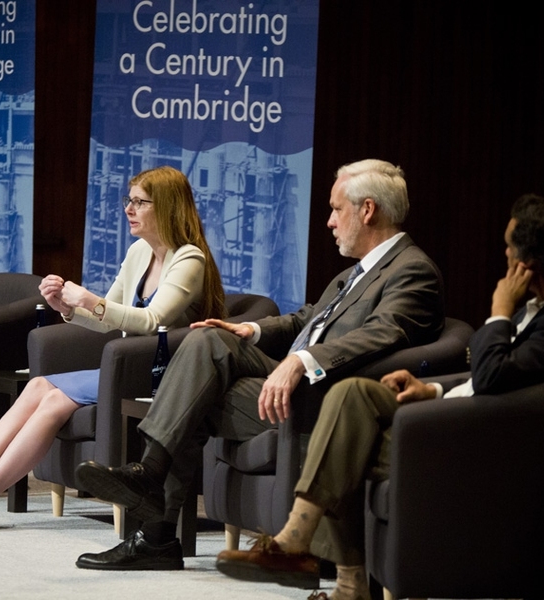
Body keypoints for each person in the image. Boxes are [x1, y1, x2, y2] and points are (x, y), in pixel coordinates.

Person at [213, 194, 544, 600]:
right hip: (463, 415)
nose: (504, 254)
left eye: (510, 248)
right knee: (351, 394)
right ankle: (316, 557)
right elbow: (508, 374)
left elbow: (495, 376)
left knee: (346, 436)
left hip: (488, 444)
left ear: (528, 264)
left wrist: (498, 313)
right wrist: (434, 389)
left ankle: (317, 559)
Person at [74, 159, 446, 570]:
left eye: (336, 209)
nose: (329, 221)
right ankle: (152, 499)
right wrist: (250, 329)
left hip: (326, 402)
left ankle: (154, 518)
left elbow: (382, 333)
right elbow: (305, 319)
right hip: (289, 385)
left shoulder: (412, 271)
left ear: (368, 210)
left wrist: (302, 362)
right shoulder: (353, 274)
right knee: (209, 342)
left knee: (195, 389)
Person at [0, 165, 225, 527]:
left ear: (167, 207)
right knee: (42, 388)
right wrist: (66, 308)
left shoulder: (189, 258)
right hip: (127, 365)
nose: (128, 209)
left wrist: (88, 299)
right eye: (129, 200)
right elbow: (110, 319)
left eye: (140, 202)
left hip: (165, 375)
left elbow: (152, 320)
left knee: (51, 394)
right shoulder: (140, 252)